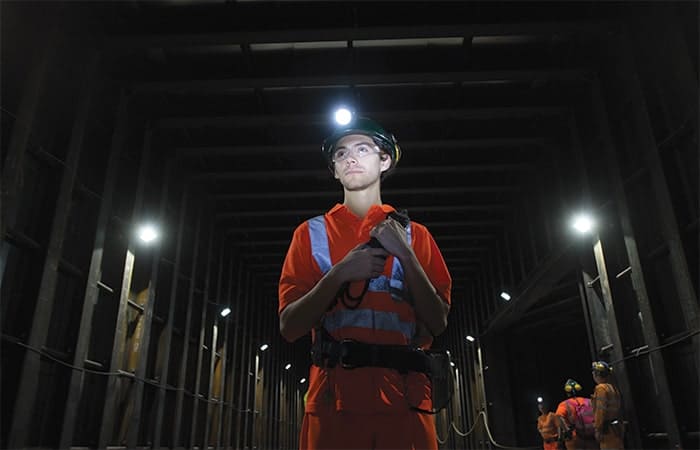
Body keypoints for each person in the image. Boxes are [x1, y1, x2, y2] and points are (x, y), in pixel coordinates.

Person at [278, 116, 452, 450]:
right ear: (334, 170)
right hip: (334, 405)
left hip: (404, 403)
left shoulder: (417, 236)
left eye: (363, 148)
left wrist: (407, 255)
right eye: (341, 154)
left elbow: (438, 321)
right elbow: (289, 326)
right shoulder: (309, 234)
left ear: (385, 160)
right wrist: (339, 274)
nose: (351, 158)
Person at [556, 379, 599, 450]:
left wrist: (567, 431)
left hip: (575, 440)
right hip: (592, 438)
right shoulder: (589, 401)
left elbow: (559, 416)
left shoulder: (565, 404)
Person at [591, 361, 624, 449]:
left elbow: (600, 410)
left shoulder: (600, 389)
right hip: (615, 428)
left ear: (596, 374)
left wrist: (598, 429)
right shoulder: (612, 388)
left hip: (607, 430)